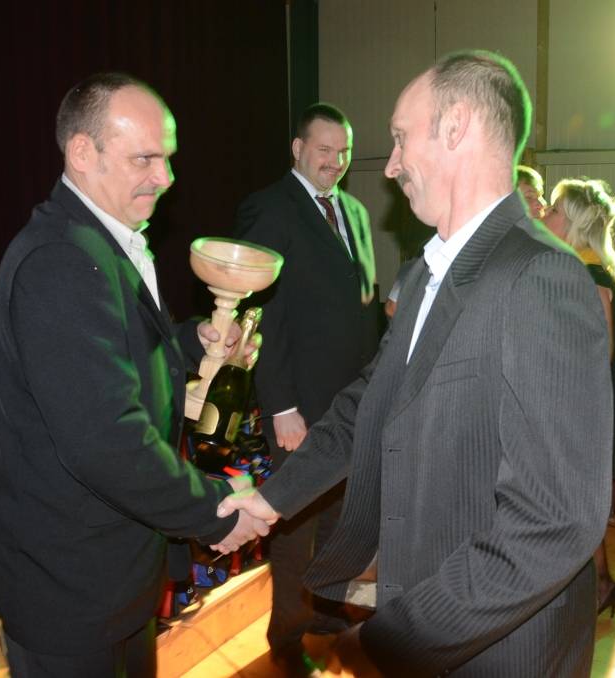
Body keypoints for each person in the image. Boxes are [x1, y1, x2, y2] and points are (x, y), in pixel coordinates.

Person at [220, 51, 613, 676]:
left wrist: (398, 638)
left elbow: (555, 521)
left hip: (496, 647)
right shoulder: (436, 267)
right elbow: (367, 404)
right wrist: (269, 502)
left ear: (456, 128)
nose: (391, 164)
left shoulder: (540, 276)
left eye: (401, 138)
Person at [0, 72, 267, 677]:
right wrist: (216, 509)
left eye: (168, 158)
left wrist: (192, 341)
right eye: (145, 159)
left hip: (108, 572)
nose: (166, 177)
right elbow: (105, 442)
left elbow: (120, 352)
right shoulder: (61, 260)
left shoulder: (100, 240)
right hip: (69, 586)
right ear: (83, 153)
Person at [232, 102, 381, 673]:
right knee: (294, 526)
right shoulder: (269, 208)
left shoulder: (356, 212)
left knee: (342, 518)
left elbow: (362, 307)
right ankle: (286, 634)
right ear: (297, 149)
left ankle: (324, 610)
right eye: (323, 150)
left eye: (343, 152)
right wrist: (281, 407)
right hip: (299, 406)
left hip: (352, 406)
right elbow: (262, 314)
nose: (335, 162)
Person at [543, 178, 615, 619]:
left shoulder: (589, 275)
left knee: (583, 502)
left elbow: (600, 354)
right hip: (591, 400)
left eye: (554, 210)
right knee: (581, 500)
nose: (545, 215)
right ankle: (598, 584)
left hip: (599, 403)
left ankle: (597, 585)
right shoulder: (579, 267)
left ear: (575, 224)